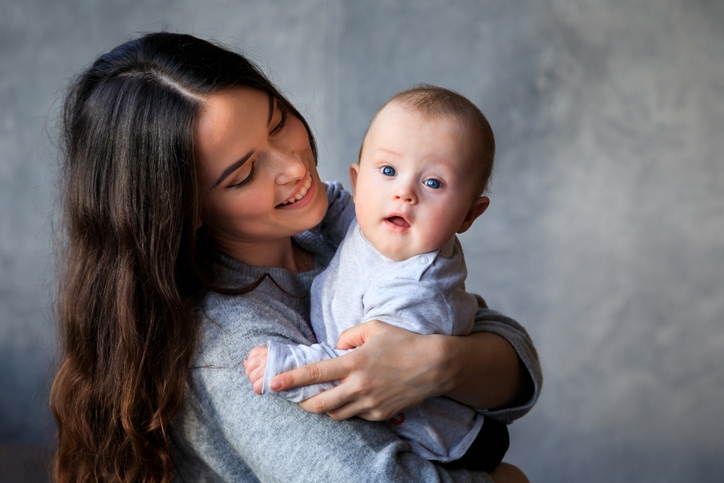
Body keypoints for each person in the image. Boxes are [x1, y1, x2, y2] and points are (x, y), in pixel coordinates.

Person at [50, 31, 541, 483]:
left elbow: (510, 353)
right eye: (244, 174)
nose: (292, 166)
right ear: (183, 209)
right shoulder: (236, 351)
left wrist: (440, 363)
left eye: (278, 122)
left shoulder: (332, 233)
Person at [245, 85, 509, 471]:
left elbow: (360, 370)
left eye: (433, 183)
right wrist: (306, 196)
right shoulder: (371, 223)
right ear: (358, 182)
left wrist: (288, 364)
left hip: (441, 442)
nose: (403, 193)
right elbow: (335, 209)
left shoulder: (417, 290)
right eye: (387, 171)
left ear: (469, 215)